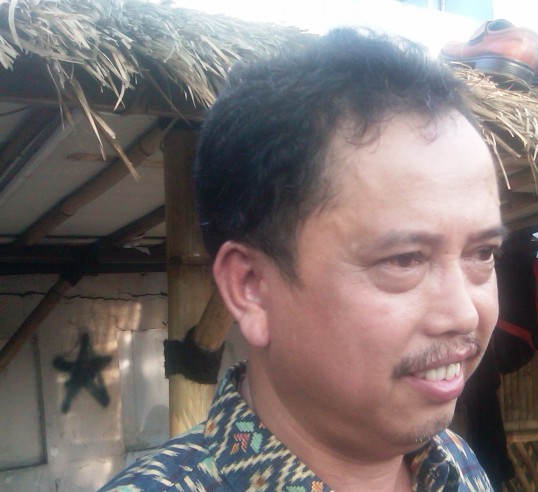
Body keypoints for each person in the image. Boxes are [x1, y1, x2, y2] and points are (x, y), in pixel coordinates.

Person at [101, 27, 504, 491]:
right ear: (251, 288)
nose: (464, 314)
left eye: (482, 254)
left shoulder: (456, 464)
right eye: (405, 260)